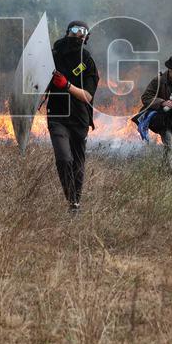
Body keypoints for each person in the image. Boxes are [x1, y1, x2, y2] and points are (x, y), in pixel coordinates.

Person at [46, 20, 100, 214]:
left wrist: (66, 85)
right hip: (57, 115)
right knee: (64, 159)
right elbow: (36, 84)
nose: (78, 34)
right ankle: (71, 196)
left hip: (79, 117)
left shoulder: (87, 61)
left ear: (86, 38)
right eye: (75, 30)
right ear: (67, 32)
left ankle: (74, 203)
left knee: (78, 163)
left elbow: (87, 96)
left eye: (83, 32)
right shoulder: (53, 56)